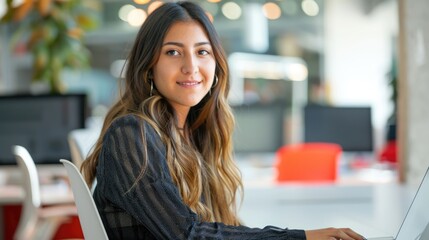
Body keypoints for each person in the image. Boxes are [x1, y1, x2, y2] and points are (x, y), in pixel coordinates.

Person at [81, 1, 366, 239]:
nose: (191, 67)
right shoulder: (132, 133)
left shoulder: (192, 134)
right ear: (148, 66)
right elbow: (187, 234)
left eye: (202, 52)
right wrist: (300, 237)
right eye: (173, 52)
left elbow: (215, 229)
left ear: (216, 65)